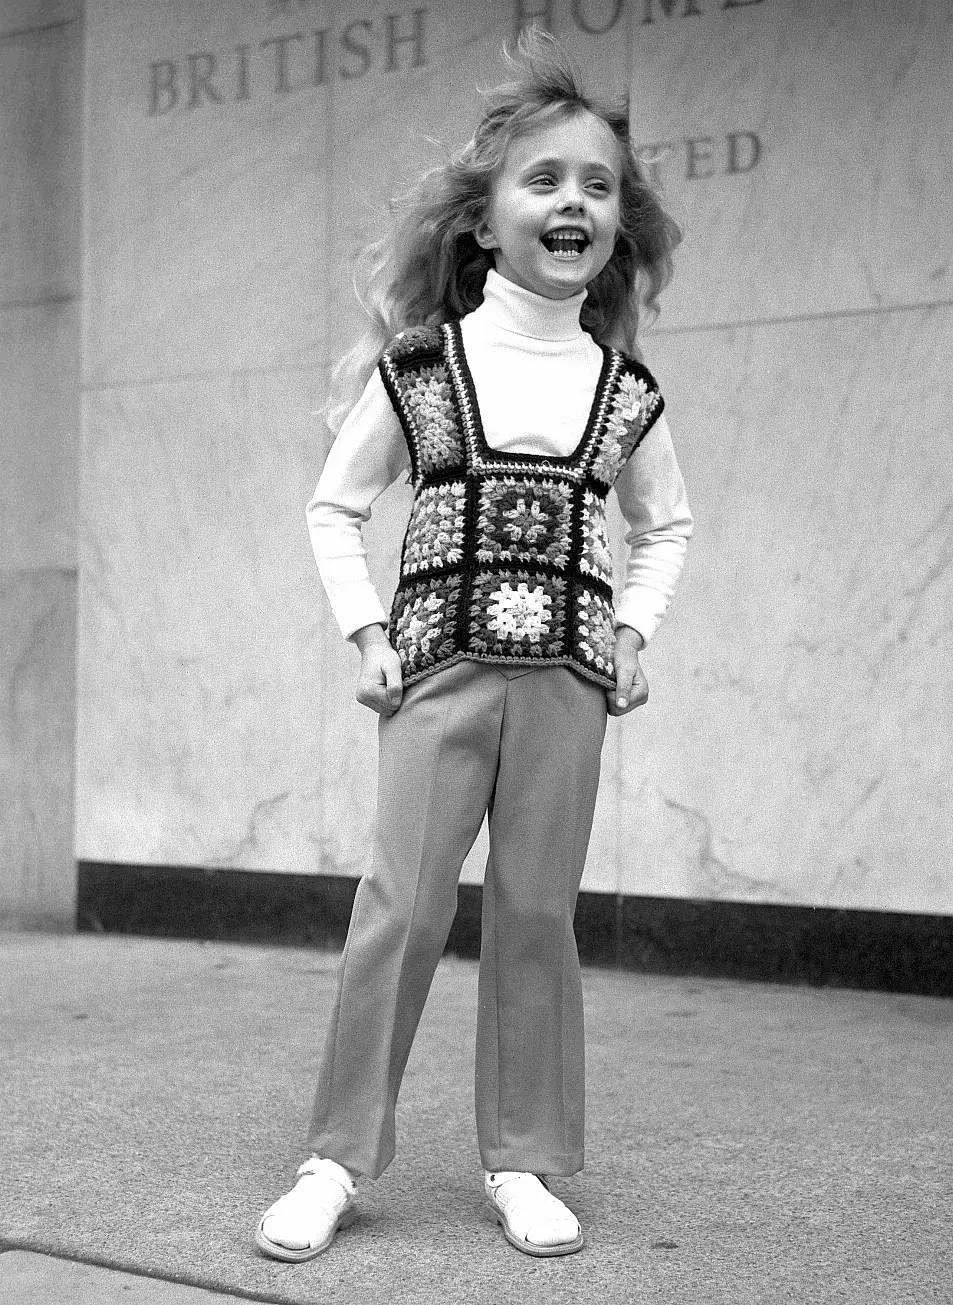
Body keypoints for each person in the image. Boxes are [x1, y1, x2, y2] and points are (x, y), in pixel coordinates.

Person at [255, 29, 692, 1262]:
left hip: (565, 689)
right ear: (483, 221)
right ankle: (335, 1158)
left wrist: (631, 627)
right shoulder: (418, 374)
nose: (572, 203)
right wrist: (365, 628)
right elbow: (335, 505)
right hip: (436, 676)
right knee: (397, 909)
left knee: (538, 914)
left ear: (619, 227)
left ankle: (526, 1157)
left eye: (598, 187)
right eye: (543, 180)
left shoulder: (625, 393)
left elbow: (667, 526)